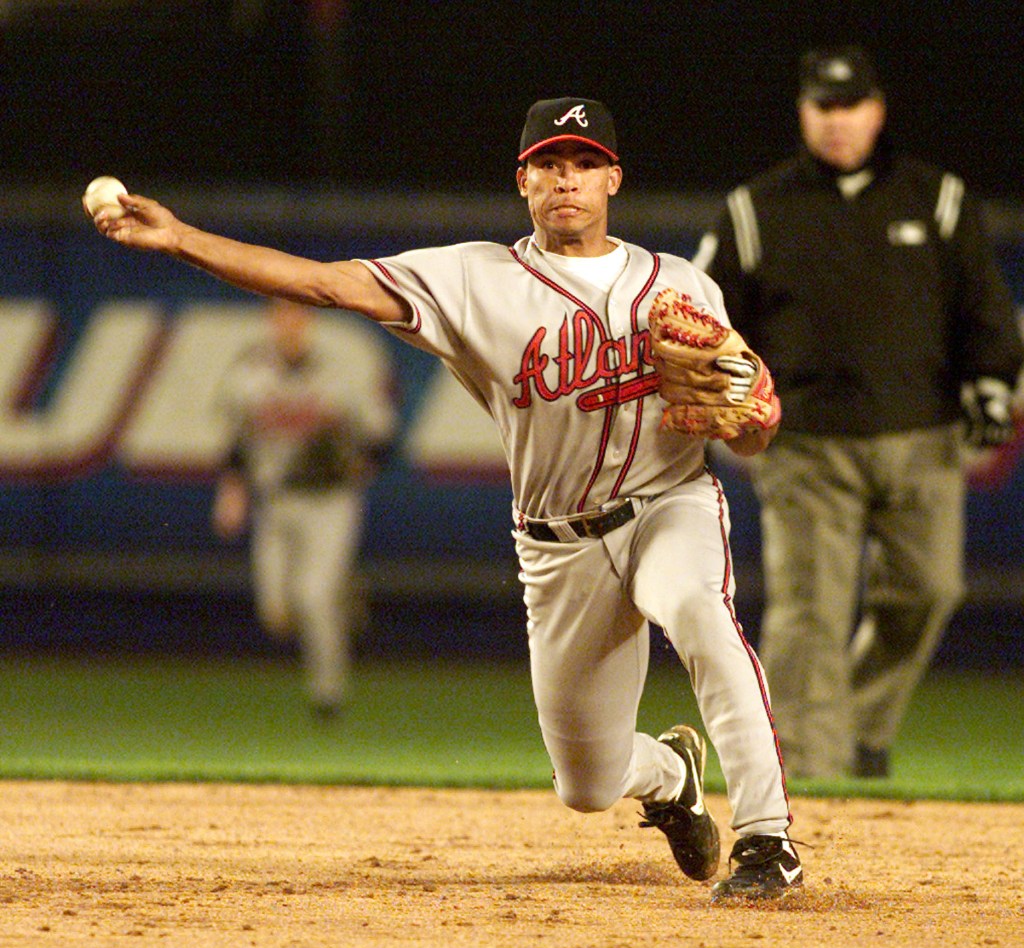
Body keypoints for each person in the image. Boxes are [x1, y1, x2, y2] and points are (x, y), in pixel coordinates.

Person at [87, 97, 802, 902]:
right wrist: (182, 238)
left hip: (671, 501)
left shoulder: (679, 283)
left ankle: (769, 839)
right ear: (522, 182)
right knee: (588, 781)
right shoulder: (473, 278)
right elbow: (325, 284)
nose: (567, 179)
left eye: (584, 163)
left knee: (697, 608)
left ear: (614, 179)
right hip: (559, 544)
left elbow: (745, 436)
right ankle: (671, 774)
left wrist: (752, 421)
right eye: (549, 165)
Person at [693, 47, 1024, 778]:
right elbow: (706, 317)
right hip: (805, 442)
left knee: (930, 589)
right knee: (810, 612)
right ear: (804, 112)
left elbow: (984, 306)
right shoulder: (757, 210)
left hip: (922, 432)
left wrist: (993, 381)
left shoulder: (935, 198)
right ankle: (811, 777)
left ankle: (863, 729)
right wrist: (724, 391)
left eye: (849, 106)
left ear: (877, 110)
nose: (836, 121)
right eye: (823, 107)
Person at [211, 298, 396, 717]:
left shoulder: (337, 375)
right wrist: (231, 492)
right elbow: (234, 442)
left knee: (312, 597)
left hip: (329, 501)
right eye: (281, 316)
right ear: (271, 322)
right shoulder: (249, 375)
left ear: (309, 322)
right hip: (274, 501)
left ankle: (327, 695)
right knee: (275, 611)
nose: (289, 325)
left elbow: (381, 433)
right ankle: (343, 597)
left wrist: (361, 465)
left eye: (297, 316)